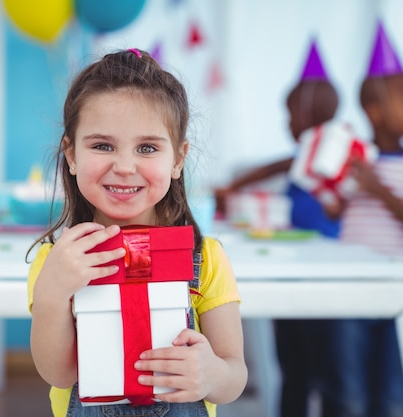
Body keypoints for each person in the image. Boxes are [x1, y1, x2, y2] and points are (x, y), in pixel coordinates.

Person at [26, 48, 247, 417]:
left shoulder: (205, 257)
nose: (125, 167)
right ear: (72, 155)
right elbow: (60, 374)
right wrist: (52, 296)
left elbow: (234, 374)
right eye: (102, 145)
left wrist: (212, 374)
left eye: (147, 148)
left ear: (177, 159)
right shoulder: (59, 259)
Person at [322, 22, 403, 417]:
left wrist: (379, 190)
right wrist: (333, 187)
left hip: (402, 289)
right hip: (351, 285)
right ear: (374, 111)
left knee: (393, 394)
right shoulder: (356, 161)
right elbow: (337, 212)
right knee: (349, 393)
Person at [216, 40, 341, 416]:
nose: (287, 124)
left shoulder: (332, 154)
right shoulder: (303, 154)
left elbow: (334, 200)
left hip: (322, 269)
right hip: (293, 264)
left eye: (291, 115)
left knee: (318, 365)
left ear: (310, 113)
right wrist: (234, 188)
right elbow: (274, 167)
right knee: (293, 361)